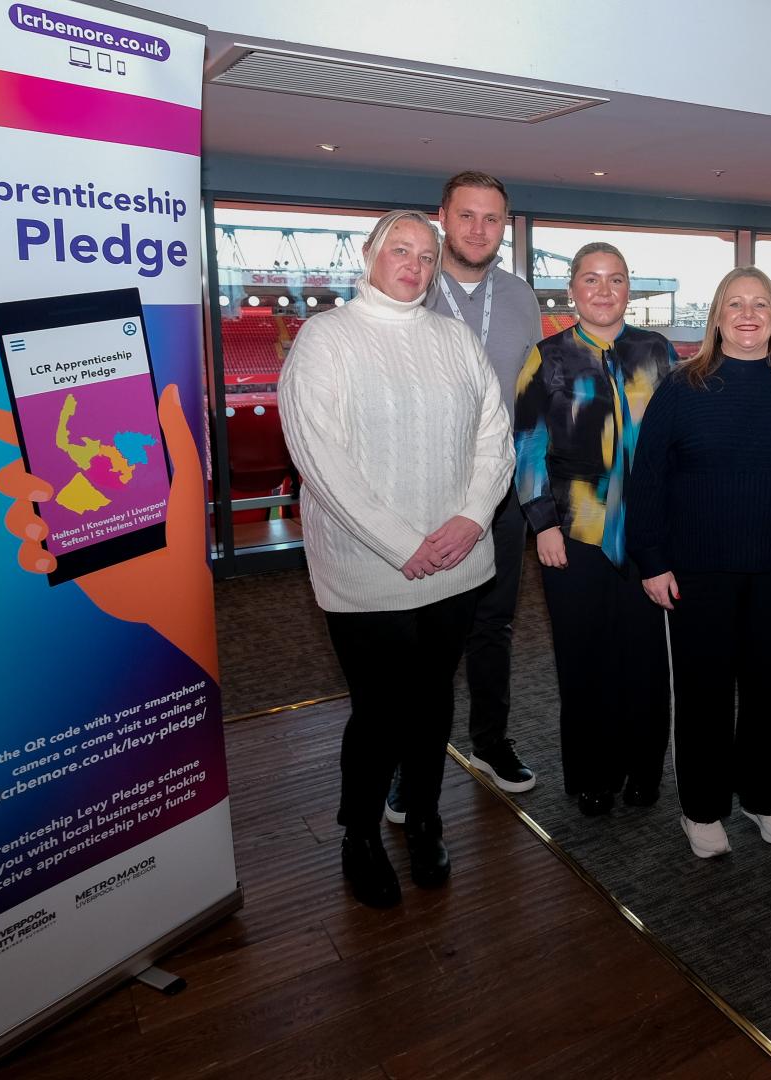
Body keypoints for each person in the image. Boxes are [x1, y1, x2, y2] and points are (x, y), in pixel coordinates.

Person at [279, 210, 513, 908]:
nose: (413, 264)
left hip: (457, 561)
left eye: (425, 255)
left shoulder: (455, 338)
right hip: (368, 568)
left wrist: (472, 518)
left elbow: (493, 435)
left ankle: (423, 814)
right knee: (379, 711)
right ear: (371, 254)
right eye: (399, 250)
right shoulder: (326, 339)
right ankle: (359, 834)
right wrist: (402, 544)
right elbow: (320, 457)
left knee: (435, 698)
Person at [628, 267, 771, 859]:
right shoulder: (682, 387)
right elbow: (647, 482)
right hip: (700, 572)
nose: (748, 314)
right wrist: (652, 561)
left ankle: (763, 795)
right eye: (736, 304)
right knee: (705, 693)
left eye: (760, 304)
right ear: (718, 315)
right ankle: (702, 809)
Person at [511, 243, 674, 817]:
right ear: (573, 290)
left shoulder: (656, 351)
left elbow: (671, 447)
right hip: (573, 534)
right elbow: (526, 448)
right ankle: (592, 775)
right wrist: (543, 525)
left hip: (646, 536)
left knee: (646, 660)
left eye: (616, 280)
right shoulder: (546, 357)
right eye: (591, 280)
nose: (604, 291)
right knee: (584, 660)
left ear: (629, 289)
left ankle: (645, 769)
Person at [409, 170, 546, 799]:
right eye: (467, 215)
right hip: (425, 492)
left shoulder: (520, 296)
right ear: (443, 215)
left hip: (503, 493)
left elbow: (531, 399)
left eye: (492, 219)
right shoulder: (409, 287)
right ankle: (413, 770)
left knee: (494, 626)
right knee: (425, 634)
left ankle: (491, 743)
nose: (478, 230)